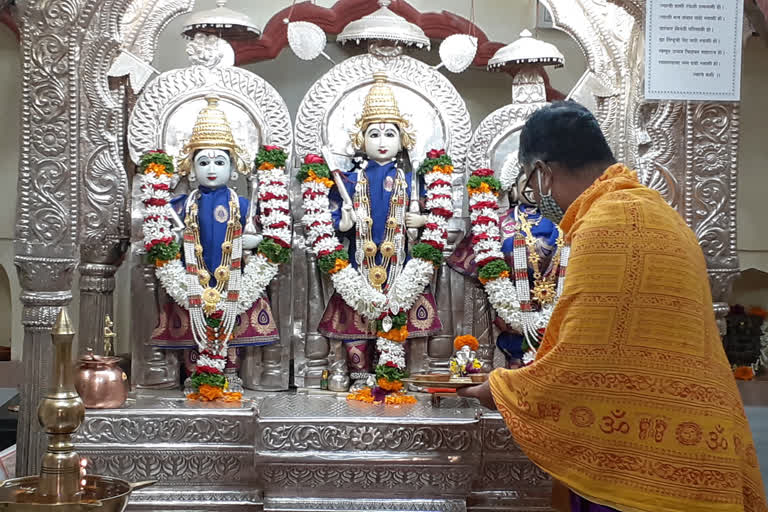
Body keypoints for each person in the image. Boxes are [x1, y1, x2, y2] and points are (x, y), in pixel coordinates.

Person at [460, 101, 767, 512]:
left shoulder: (605, 225)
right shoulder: (662, 214)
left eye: (533, 186)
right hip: (700, 446)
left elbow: (584, 365)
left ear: (543, 173)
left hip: (642, 467)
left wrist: (498, 389)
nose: (537, 197)